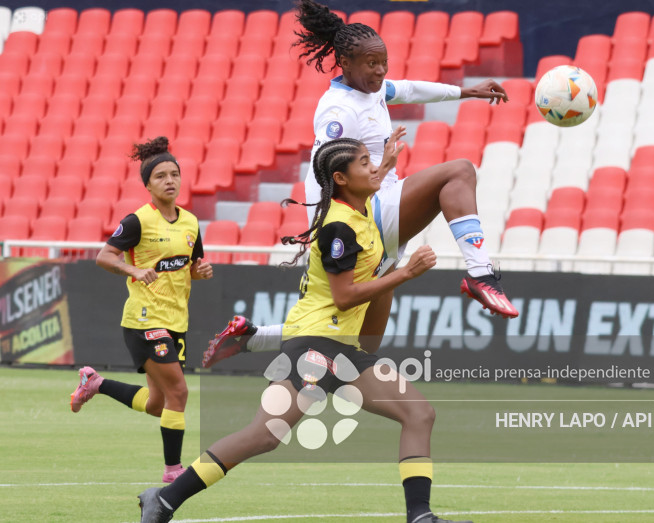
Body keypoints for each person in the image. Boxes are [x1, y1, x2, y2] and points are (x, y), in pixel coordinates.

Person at [138, 133, 472, 523]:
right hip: (315, 346)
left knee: (419, 414)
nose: (374, 167)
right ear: (341, 178)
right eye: (364, 163)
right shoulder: (339, 227)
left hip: (342, 349)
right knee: (264, 435)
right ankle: (163, 501)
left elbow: (370, 193)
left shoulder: (360, 215)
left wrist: (387, 165)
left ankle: (420, 516)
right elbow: (345, 296)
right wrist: (406, 273)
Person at [202, 0, 518, 368]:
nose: (381, 70)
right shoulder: (340, 111)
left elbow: (411, 90)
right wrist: (329, 230)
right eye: (372, 63)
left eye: (384, 62)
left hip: (374, 221)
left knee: (361, 349)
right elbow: (322, 169)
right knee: (460, 171)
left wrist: (467, 92)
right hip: (362, 214)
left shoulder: (373, 89)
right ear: (346, 63)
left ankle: (252, 338)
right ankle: (481, 273)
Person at [69, 136, 213, 484]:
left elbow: (191, 265)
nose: (170, 181)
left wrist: (199, 271)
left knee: (157, 404)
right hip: (144, 319)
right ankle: (173, 471)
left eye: (174, 174)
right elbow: (104, 256)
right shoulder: (138, 221)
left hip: (176, 320)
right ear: (147, 185)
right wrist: (133, 270)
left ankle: (95, 383)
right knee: (179, 393)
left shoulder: (191, 222)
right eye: (161, 175)